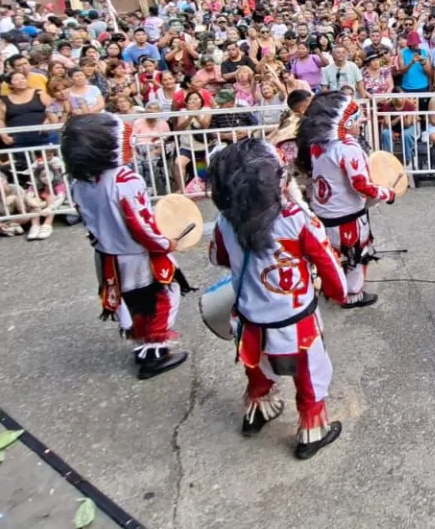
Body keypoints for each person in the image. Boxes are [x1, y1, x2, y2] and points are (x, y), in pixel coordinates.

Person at [207, 139, 348, 459]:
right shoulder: (296, 218)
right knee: (310, 373)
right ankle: (312, 432)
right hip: (295, 319)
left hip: (249, 318)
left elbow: (218, 257)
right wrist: (339, 293)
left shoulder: (225, 220)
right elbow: (328, 265)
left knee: (256, 369)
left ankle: (257, 413)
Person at [61, 113, 191, 380]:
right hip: (137, 255)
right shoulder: (124, 180)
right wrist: (167, 243)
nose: (130, 141)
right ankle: (155, 353)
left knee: (134, 302)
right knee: (163, 296)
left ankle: (143, 346)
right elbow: (140, 225)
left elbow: (88, 222)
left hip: (107, 255)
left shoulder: (79, 182)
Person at [296, 92, 394, 308]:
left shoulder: (317, 144)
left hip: (324, 212)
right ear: (346, 122)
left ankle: (333, 288)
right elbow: (361, 184)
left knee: (333, 254)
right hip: (347, 214)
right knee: (355, 255)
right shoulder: (347, 148)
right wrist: (388, 193)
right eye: (357, 118)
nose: (362, 122)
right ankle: (353, 294)